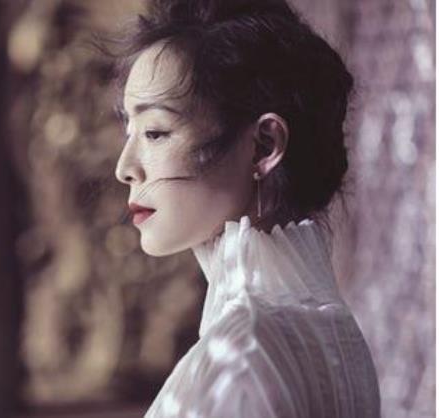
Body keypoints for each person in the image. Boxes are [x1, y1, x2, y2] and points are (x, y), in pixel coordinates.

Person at [109, 0, 381, 416]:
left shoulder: (240, 357)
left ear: (263, 146)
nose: (124, 168)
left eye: (155, 132)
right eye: (129, 131)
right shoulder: (337, 335)